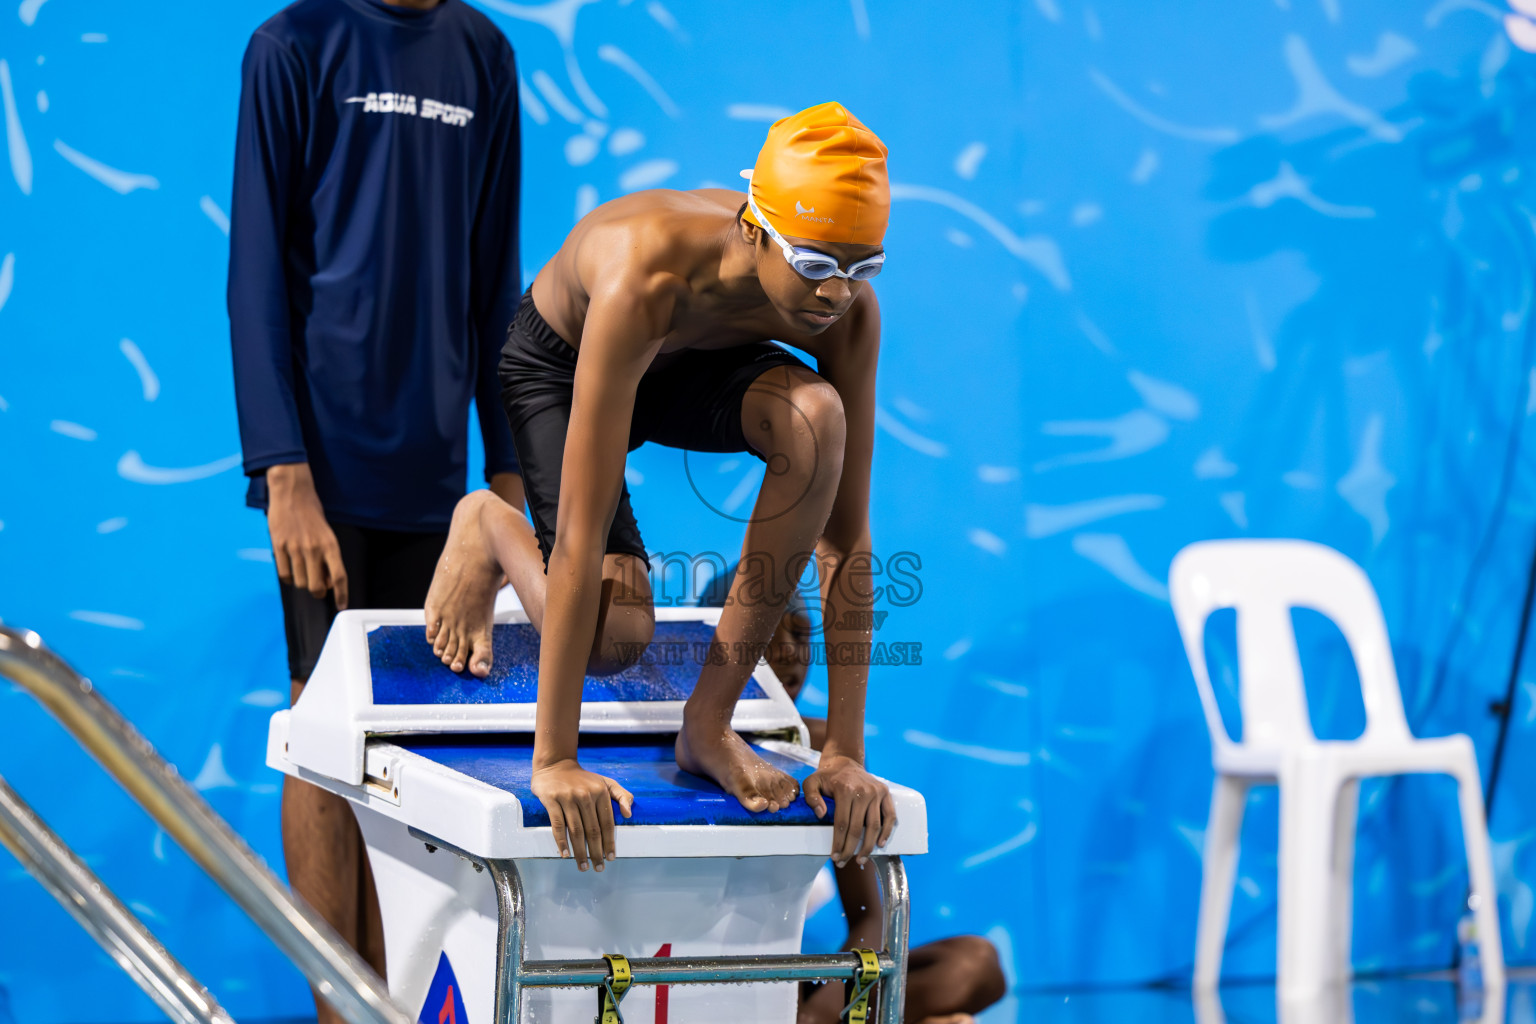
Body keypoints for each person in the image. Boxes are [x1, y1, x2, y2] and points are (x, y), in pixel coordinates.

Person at [426, 102, 896, 873]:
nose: (834, 294)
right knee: (614, 642)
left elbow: (845, 541)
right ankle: (489, 525)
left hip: (691, 364)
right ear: (753, 227)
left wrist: (843, 751)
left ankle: (707, 725)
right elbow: (580, 536)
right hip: (564, 360)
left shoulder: (846, 314)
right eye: (814, 264)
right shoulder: (645, 273)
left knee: (817, 417)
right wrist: (556, 761)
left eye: (861, 267)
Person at [226, 0, 524, 1015]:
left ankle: (398, 995)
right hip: (326, 467)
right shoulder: (293, 46)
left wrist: (510, 467)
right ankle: (333, 1001)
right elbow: (256, 273)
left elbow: (496, 280)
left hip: (438, 476)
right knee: (322, 723)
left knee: (409, 741)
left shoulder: (485, 55)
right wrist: (282, 470)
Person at [700, 566, 1007, 1024]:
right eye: (767, 636)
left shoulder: (821, 749)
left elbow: (868, 915)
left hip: (795, 984)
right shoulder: (685, 745)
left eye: (801, 636)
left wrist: (827, 1011)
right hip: (692, 974)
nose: (789, 653)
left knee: (974, 964)